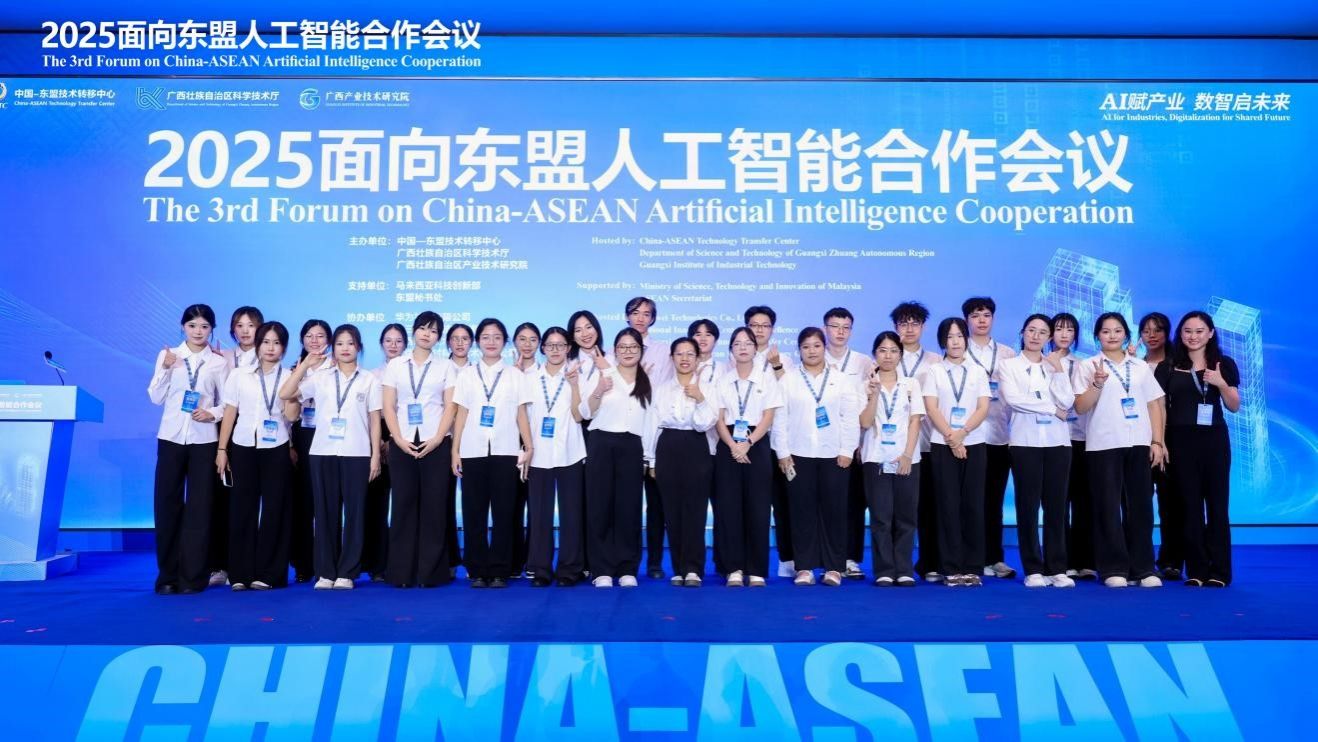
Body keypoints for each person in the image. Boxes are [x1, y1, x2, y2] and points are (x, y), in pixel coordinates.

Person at [280, 324, 382, 590]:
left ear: (359, 347)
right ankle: (325, 571)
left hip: (357, 452)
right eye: (339, 343)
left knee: (355, 514)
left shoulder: (369, 380)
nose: (345, 348)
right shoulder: (321, 378)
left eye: (350, 343)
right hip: (322, 451)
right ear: (333, 349)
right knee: (325, 513)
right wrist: (305, 365)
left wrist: (374, 456)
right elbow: (286, 394)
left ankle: (347, 572)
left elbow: (374, 420)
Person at [1073, 312, 1168, 588]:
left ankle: (1143, 568)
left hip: (1139, 441)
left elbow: (1154, 404)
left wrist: (1157, 441)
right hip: (1103, 443)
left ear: (1126, 334)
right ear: (1097, 336)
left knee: (1141, 507)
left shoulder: (1139, 366)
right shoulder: (1088, 366)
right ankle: (1113, 568)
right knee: (1107, 507)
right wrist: (1097, 384)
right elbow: (1080, 407)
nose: (1112, 335)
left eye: (1117, 330)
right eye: (1106, 331)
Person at [772, 327, 861, 587]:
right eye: (806, 346)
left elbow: (850, 418)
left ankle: (834, 567)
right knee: (801, 512)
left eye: (816, 346)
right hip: (798, 454)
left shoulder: (841, 379)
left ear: (824, 348)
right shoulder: (788, 380)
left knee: (835, 511)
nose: (811, 351)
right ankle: (804, 567)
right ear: (799, 350)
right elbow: (780, 418)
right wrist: (782, 452)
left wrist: (847, 450)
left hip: (834, 455)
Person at [148, 304, 228, 594]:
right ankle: (168, 577)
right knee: (167, 505)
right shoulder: (169, 356)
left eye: (204, 326)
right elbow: (155, 397)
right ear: (183, 327)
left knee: (199, 508)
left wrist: (212, 414)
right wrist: (166, 369)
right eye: (192, 325)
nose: (198, 331)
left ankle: (193, 577)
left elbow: (227, 403)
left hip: (203, 440)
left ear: (212, 330)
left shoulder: (218, 362)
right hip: (171, 437)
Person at [450, 318, 533, 588]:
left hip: (505, 450)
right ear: (478, 342)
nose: (491, 342)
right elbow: (461, 414)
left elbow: (521, 414)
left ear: (505, 342)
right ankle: (476, 569)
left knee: (503, 512)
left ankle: (499, 569)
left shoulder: (515, 375)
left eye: (497, 337)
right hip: (472, 449)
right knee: (473, 512)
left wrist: (529, 446)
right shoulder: (466, 375)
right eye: (485, 337)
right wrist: (455, 450)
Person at [215, 320, 297, 590]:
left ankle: (270, 574)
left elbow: (292, 417)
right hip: (243, 445)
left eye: (277, 343)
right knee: (242, 509)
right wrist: (222, 449)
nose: (270, 348)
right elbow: (230, 413)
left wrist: (295, 385)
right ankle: (240, 573)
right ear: (258, 345)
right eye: (266, 342)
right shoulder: (239, 375)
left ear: (284, 347)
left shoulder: (289, 376)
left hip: (276, 447)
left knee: (275, 510)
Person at [998, 314, 1076, 588]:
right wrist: (1052, 409)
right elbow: (1014, 400)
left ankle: (1057, 568)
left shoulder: (1054, 365)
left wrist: (1058, 371)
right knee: (1027, 507)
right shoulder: (1009, 365)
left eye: (1043, 332)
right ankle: (1032, 568)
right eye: (1031, 330)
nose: (1036, 336)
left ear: (1049, 337)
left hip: (1058, 443)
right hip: (1025, 443)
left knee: (1056, 508)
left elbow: (1068, 401)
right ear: (1023, 332)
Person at [381, 312, 458, 588]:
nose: (427, 334)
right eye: (423, 328)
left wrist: (438, 439)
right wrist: (397, 439)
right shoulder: (396, 365)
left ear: (439, 338)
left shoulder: (446, 366)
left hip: (435, 442)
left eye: (434, 331)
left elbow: (450, 406)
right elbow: (389, 406)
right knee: (403, 506)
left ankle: (431, 573)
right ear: (414, 331)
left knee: (434, 508)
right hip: (402, 442)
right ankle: (401, 573)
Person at [1165, 311, 1240, 587]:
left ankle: (1220, 572)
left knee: (1217, 506)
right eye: (1187, 331)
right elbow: (1159, 406)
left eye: (1199, 331)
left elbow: (1234, 405)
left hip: (1214, 441)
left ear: (1210, 333)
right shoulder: (1170, 365)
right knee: (1189, 507)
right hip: (1180, 441)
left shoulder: (1223, 364)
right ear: (1180, 334)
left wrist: (1221, 383)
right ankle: (1196, 570)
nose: (1193, 336)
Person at [578, 328, 656, 587]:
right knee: (599, 507)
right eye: (622, 347)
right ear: (615, 350)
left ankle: (626, 568)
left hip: (632, 447)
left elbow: (650, 421)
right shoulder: (603, 374)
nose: (628, 351)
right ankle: (601, 569)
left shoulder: (647, 381)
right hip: (601, 443)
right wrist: (599, 390)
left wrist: (649, 457)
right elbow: (584, 412)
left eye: (633, 346)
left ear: (641, 350)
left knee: (629, 508)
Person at [923, 317, 992, 587]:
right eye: (950, 337)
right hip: (943, 445)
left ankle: (972, 566)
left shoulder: (977, 371)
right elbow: (931, 408)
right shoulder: (935, 371)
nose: (955, 341)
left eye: (960, 336)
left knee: (973, 505)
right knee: (947, 506)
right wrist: (953, 439)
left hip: (974, 443)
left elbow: (983, 407)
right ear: (942, 341)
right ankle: (950, 567)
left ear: (966, 339)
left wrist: (962, 433)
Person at [711, 327, 782, 587]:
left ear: (755, 348)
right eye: (737, 343)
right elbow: (718, 419)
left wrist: (748, 443)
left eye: (748, 343)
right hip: (727, 444)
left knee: (758, 507)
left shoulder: (766, 379)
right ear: (731, 349)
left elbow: (768, 416)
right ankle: (733, 568)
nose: (743, 347)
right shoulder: (722, 381)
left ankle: (756, 569)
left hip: (757, 444)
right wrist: (733, 445)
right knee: (728, 508)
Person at [646, 337, 718, 586]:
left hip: (696, 445)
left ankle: (694, 569)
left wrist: (700, 398)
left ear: (698, 359)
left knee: (695, 510)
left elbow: (705, 423)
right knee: (672, 510)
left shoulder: (707, 388)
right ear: (672, 358)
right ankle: (678, 568)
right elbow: (653, 424)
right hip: (667, 445)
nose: (685, 358)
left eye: (690, 354)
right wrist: (651, 460)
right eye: (679, 354)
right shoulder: (662, 389)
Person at [858, 331, 925, 587]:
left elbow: (915, 421)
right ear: (875, 354)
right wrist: (874, 393)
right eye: (883, 350)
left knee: (906, 517)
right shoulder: (864, 385)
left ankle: (904, 568)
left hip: (906, 458)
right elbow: (865, 422)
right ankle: (884, 569)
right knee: (881, 517)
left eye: (894, 351)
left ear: (900, 354)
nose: (888, 356)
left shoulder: (911, 384)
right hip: (875, 458)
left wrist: (907, 454)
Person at [523, 328, 588, 587]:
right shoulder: (529, 378)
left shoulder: (578, 375)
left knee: (572, 514)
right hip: (538, 453)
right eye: (550, 345)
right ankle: (540, 569)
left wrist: (574, 385)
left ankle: (570, 569)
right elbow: (522, 416)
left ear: (568, 348)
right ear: (543, 348)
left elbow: (581, 415)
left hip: (571, 451)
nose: (555, 350)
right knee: (540, 514)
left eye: (561, 345)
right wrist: (526, 448)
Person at [962, 297, 1018, 580]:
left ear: (993, 318)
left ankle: (994, 558)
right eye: (975, 315)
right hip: (968, 437)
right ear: (967, 320)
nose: (981, 320)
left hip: (999, 436)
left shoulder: (1007, 354)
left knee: (994, 501)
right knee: (969, 501)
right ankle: (970, 558)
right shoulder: (959, 350)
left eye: (986, 315)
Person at [208, 305, 263, 588]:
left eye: (250, 325)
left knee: (250, 501)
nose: (245, 331)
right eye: (239, 325)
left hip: (260, 435)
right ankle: (220, 565)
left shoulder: (269, 356)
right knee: (222, 499)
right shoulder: (222, 358)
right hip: (224, 430)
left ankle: (249, 565)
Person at [891, 301, 944, 583]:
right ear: (895, 326)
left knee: (930, 506)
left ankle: (929, 563)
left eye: (915, 323)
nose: (909, 329)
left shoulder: (936, 361)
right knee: (896, 508)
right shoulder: (887, 357)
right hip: (895, 446)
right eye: (903, 323)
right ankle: (893, 564)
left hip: (930, 442)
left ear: (923, 327)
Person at [745, 305, 795, 577]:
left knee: (784, 502)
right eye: (754, 325)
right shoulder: (739, 357)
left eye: (764, 325)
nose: (759, 330)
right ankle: (748, 560)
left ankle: (788, 559)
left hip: (781, 438)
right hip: (751, 440)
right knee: (754, 503)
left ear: (773, 329)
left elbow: (791, 393)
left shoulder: (784, 359)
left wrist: (776, 365)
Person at [626, 297, 670, 579]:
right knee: (628, 505)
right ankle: (627, 562)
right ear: (627, 316)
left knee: (657, 505)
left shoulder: (664, 350)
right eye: (635, 313)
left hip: (655, 433)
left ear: (653, 319)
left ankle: (654, 563)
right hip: (627, 434)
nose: (640, 318)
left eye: (646, 314)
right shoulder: (615, 350)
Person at [1051, 313, 1097, 580]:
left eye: (1070, 330)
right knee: (1058, 503)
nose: (1064, 334)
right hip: (1053, 439)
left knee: (1084, 501)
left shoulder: (1084, 364)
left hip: (1081, 438)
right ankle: (1062, 559)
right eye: (1059, 329)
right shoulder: (1042, 362)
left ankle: (1085, 560)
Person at [1139, 311, 1183, 580]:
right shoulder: (1134, 364)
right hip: (1137, 440)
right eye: (1146, 331)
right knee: (1138, 503)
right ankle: (1139, 558)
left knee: (1170, 503)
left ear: (1167, 333)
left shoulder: (1177, 364)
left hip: (1171, 442)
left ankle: (1171, 560)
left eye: (1157, 330)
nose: (1152, 335)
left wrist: (1162, 440)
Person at [289, 319, 331, 583]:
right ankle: (304, 563)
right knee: (303, 502)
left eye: (320, 336)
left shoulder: (336, 367)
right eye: (309, 336)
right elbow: (282, 410)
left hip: (330, 435)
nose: (314, 341)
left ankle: (328, 561)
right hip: (302, 437)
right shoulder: (294, 369)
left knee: (327, 500)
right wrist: (290, 445)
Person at [365, 323, 407, 582]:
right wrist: (378, 443)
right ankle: (377, 564)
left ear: (405, 344)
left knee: (403, 505)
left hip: (404, 438)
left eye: (398, 341)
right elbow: (370, 413)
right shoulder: (372, 375)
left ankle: (401, 561)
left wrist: (395, 439)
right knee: (376, 506)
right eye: (388, 340)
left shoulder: (411, 373)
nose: (393, 345)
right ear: (381, 344)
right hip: (375, 438)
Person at [510, 321, 543, 577]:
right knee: (512, 503)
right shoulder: (508, 373)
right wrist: (515, 376)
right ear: (514, 343)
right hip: (511, 443)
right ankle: (513, 561)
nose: (527, 344)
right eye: (522, 339)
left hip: (539, 444)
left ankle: (534, 561)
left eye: (533, 339)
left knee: (536, 505)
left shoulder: (546, 373)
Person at [443, 322, 473, 574]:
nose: (460, 343)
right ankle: (449, 559)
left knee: (474, 501)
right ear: (448, 342)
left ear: (472, 342)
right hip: (444, 441)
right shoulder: (439, 369)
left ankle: (474, 559)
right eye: (455, 338)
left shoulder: (479, 370)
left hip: (474, 442)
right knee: (444, 500)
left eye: (465, 338)